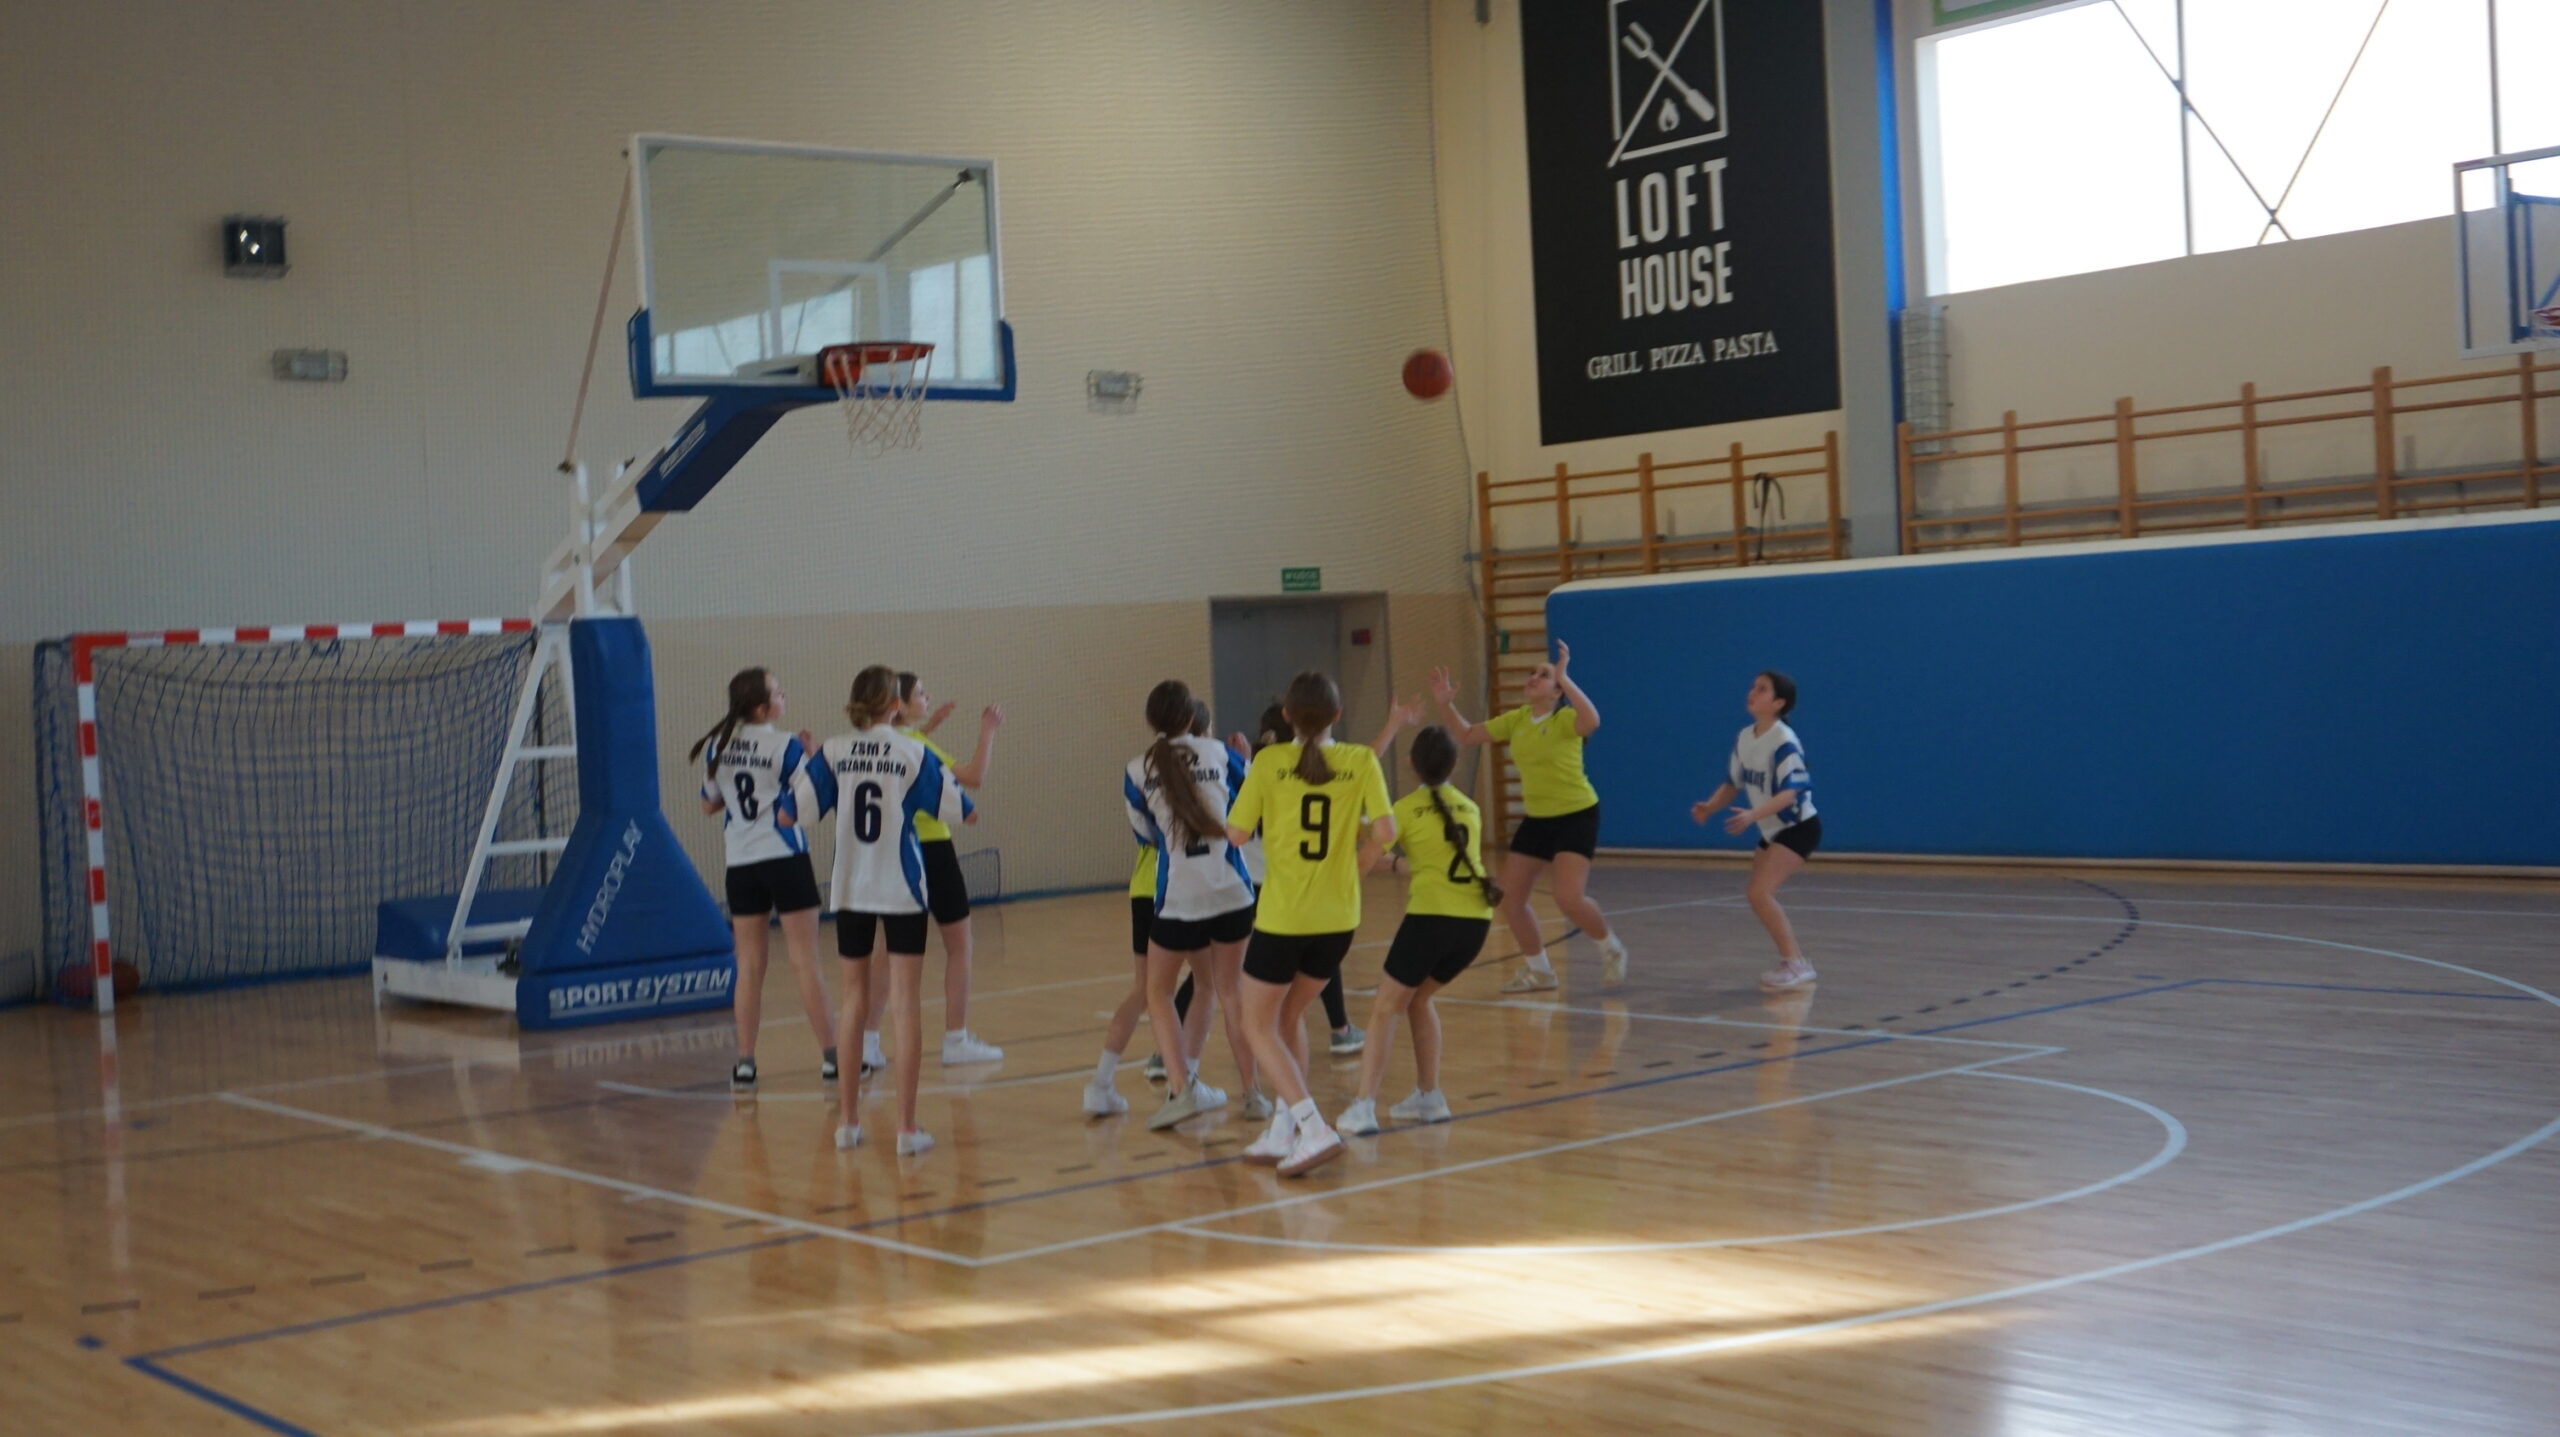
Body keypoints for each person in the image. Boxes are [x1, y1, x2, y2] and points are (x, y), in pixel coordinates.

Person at [1224, 671, 1395, 1178]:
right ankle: (1285, 1129)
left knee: (1256, 1024)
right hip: (1339, 918)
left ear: (1287, 716)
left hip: (1285, 917)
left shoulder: (1269, 762)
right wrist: (1360, 860)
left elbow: (1237, 834)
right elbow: (1386, 830)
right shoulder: (1361, 760)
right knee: (1286, 1018)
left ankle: (1313, 1126)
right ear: (1337, 715)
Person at [799, 666, 973, 1156]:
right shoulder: (913, 752)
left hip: (851, 887)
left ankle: (848, 1123)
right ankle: (905, 1129)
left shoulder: (834, 751)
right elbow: (964, 809)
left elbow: (795, 813)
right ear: (895, 706)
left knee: (854, 998)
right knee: (905, 1001)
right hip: (901, 887)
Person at [1428, 641, 1629, 992]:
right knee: (1510, 898)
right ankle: (1540, 971)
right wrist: (1446, 704)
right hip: (1538, 819)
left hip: (1576, 814)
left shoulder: (1565, 719)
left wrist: (1565, 676)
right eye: (1532, 672)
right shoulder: (1518, 719)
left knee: (1568, 898)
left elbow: (1592, 720)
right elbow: (1467, 734)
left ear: (1557, 691)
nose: (1534, 677)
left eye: (1544, 675)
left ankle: (1611, 948)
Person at [1336, 722, 1495, 1135]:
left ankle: (1363, 1105)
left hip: (1432, 918)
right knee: (1419, 999)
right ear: (1454, 764)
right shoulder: (1471, 808)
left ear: (1410, 764)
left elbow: (1366, 859)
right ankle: (1429, 1096)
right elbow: (1437, 856)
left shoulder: (1404, 809)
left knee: (1386, 1006)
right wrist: (1400, 863)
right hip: (1475, 923)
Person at [1118, 680, 1260, 1129]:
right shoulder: (1221, 754)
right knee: (1229, 990)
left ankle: (1181, 1088)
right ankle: (1253, 1094)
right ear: (1191, 716)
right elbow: (1250, 806)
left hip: (1180, 897)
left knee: (1158, 991)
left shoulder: (1137, 770)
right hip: (1232, 890)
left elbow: (1145, 835)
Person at [687, 668, 834, 1088]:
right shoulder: (785, 745)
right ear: (759, 707)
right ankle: (833, 1059)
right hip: (784, 858)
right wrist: (813, 759)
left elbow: (709, 805)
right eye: (777, 691)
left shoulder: (717, 746)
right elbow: (811, 799)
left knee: (749, 965)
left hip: (741, 863)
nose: (784, 694)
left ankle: (746, 1064)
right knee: (805, 960)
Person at [891, 673, 1006, 1067]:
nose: (928, 698)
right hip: (933, 849)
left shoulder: (889, 741)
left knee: (888, 952)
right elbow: (973, 777)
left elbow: (911, 751)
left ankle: (870, 1041)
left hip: (897, 852)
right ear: (900, 704)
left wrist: (932, 725)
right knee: (959, 945)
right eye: (920, 693)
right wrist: (988, 730)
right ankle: (956, 1039)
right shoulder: (918, 745)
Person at [1690, 670, 1821, 989]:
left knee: (1758, 893)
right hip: (1771, 829)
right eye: (1753, 686)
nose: (1752, 692)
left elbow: (1790, 793)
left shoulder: (1784, 741)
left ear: (1778, 703)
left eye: (1762, 689)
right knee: (1758, 895)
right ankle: (1794, 961)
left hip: (1798, 827)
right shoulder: (1745, 737)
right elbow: (1732, 784)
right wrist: (1710, 806)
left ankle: (1796, 964)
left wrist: (1752, 815)